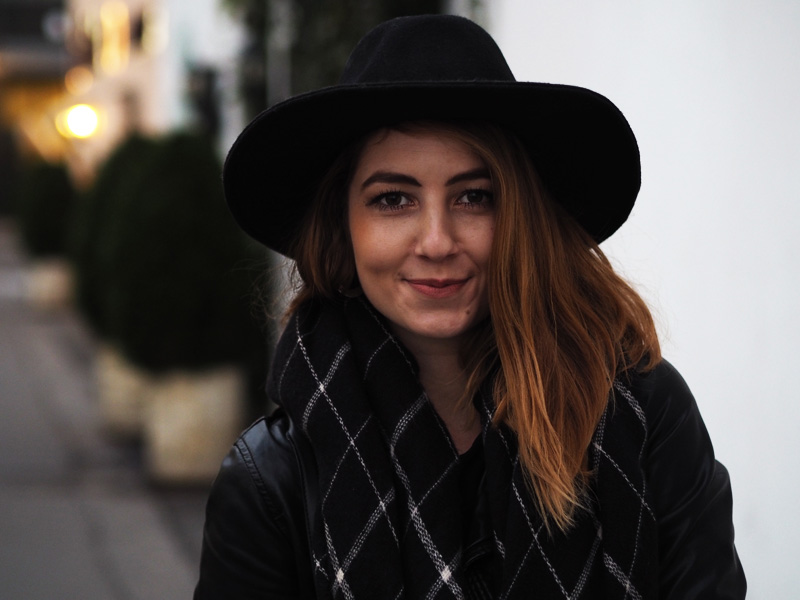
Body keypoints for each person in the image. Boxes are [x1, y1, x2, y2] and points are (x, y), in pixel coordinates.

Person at [194, 14, 746, 600]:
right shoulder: (271, 480)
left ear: (523, 217)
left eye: (475, 197)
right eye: (394, 199)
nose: (437, 242)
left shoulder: (649, 416)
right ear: (342, 224)